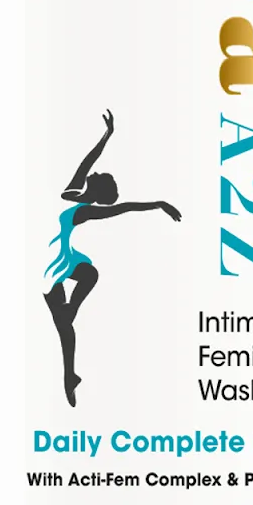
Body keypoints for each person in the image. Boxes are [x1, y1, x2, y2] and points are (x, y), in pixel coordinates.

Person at [44, 109, 181, 407]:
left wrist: (158, 204)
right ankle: (69, 374)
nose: (94, 173)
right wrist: (107, 135)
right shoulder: (72, 193)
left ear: (95, 190)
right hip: (51, 261)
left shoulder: (80, 207)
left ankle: (70, 338)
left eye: (98, 177)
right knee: (67, 317)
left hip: (54, 262)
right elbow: (88, 161)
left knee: (85, 281)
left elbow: (123, 207)